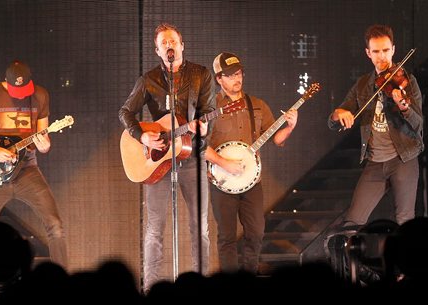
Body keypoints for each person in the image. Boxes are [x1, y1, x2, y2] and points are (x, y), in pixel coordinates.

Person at [119, 23, 215, 292]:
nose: (169, 45)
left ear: (182, 45)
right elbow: (125, 112)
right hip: (158, 162)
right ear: (158, 50)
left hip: (192, 159)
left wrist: (205, 127)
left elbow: (208, 111)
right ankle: (151, 287)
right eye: (164, 43)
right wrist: (142, 136)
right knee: (154, 229)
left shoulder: (201, 75)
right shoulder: (148, 79)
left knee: (201, 229)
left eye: (173, 41)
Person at [0, 60, 68, 268]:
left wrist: (45, 145)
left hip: (27, 170)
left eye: (24, 89)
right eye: (16, 89)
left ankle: (60, 279)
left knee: (55, 225)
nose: (20, 94)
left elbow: (43, 141)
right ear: (7, 83)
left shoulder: (40, 95)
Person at [205, 52, 298, 274]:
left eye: (239, 73)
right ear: (219, 79)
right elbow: (199, 146)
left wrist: (290, 127)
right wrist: (224, 163)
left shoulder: (257, 105)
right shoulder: (209, 109)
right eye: (230, 75)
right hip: (221, 181)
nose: (237, 78)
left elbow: (275, 139)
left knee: (256, 232)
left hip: (251, 180)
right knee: (226, 236)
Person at [328, 24, 423, 227]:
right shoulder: (363, 84)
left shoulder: (407, 81)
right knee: (353, 221)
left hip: (403, 158)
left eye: (386, 50)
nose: (382, 57)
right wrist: (339, 113)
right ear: (368, 53)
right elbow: (333, 120)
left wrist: (404, 106)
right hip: (375, 162)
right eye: (377, 52)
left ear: (394, 50)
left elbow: (418, 125)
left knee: (405, 221)